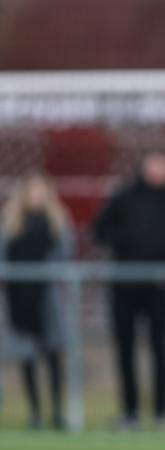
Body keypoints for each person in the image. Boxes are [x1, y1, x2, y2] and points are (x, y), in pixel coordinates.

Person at [93, 149, 165, 429]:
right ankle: (130, 412)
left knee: (161, 350)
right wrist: (124, 248)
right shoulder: (123, 197)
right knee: (125, 350)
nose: (160, 170)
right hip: (124, 286)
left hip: (159, 289)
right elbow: (100, 230)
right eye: (156, 163)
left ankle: (162, 413)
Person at [1, 173, 72, 430]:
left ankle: (57, 412)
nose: (37, 196)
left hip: (47, 300)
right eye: (33, 191)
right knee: (27, 356)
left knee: (53, 355)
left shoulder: (57, 225)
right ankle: (34, 413)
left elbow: (64, 256)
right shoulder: (10, 227)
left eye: (42, 191)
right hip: (20, 301)